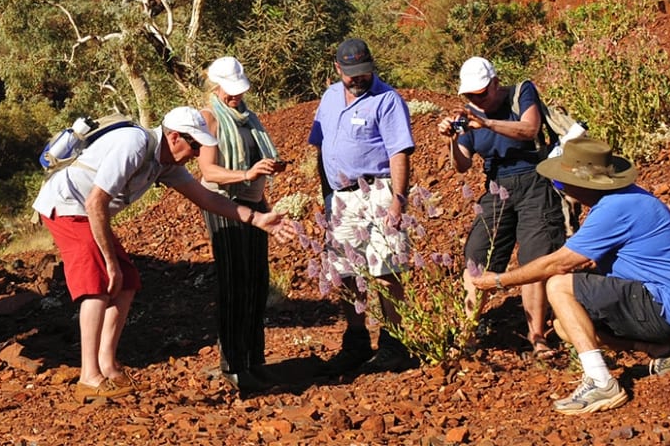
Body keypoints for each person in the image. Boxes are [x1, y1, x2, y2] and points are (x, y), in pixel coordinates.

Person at [33, 105, 292, 403]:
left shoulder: (166, 165)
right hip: (66, 206)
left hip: (88, 210)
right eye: (194, 145)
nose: (196, 154)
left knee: (127, 282)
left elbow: (205, 197)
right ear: (173, 137)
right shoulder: (134, 144)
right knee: (98, 285)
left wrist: (256, 218)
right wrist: (109, 261)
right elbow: (95, 202)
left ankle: (108, 367)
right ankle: (89, 377)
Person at [471, 135, 670, 416]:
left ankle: (601, 382)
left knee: (559, 286)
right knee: (565, 325)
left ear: (584, 184)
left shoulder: (616, 207)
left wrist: (498, 281)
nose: (559, 187)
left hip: (667, 306)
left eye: (560, 182)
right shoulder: (625, 199)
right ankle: (663, 350)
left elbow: (557, 265)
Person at [437, 57, 566, 357]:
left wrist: (487, 123)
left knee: (535, 257)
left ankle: (537, 336)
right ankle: (468, 333)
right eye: (470, 96)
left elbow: (529, 129)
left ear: (496, 83)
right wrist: (454, 140)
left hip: (535, 179)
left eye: (482, 93)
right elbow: (463, 164)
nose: (476, 100)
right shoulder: (468, 115)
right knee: (477, 255)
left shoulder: (521, 92)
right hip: (497, 186)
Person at [308, 38, 416, 374]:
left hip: (379, 191)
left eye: (364, 72)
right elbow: (320, 145)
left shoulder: (387, 100)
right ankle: (355, 341)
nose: (359, 78)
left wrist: (398, 202)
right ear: (338, 69)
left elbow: (399, 152)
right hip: (340, 196)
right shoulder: (328, 98)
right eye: (351, 73)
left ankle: (394, 344)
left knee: (387, 270)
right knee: (344, 273)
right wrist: (326, 195)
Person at [196, 56, 286, 393]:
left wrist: (266, 171)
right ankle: (233, 362)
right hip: (224, 204)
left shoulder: (250, 118)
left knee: (257, 281)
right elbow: (208, 171)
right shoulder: (209, 120)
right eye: (229, 91)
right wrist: (247, 174)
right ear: (214, 87)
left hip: (255, 201)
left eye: (238, 90)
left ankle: (254, 358)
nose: (235, 97)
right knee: (235, 282)